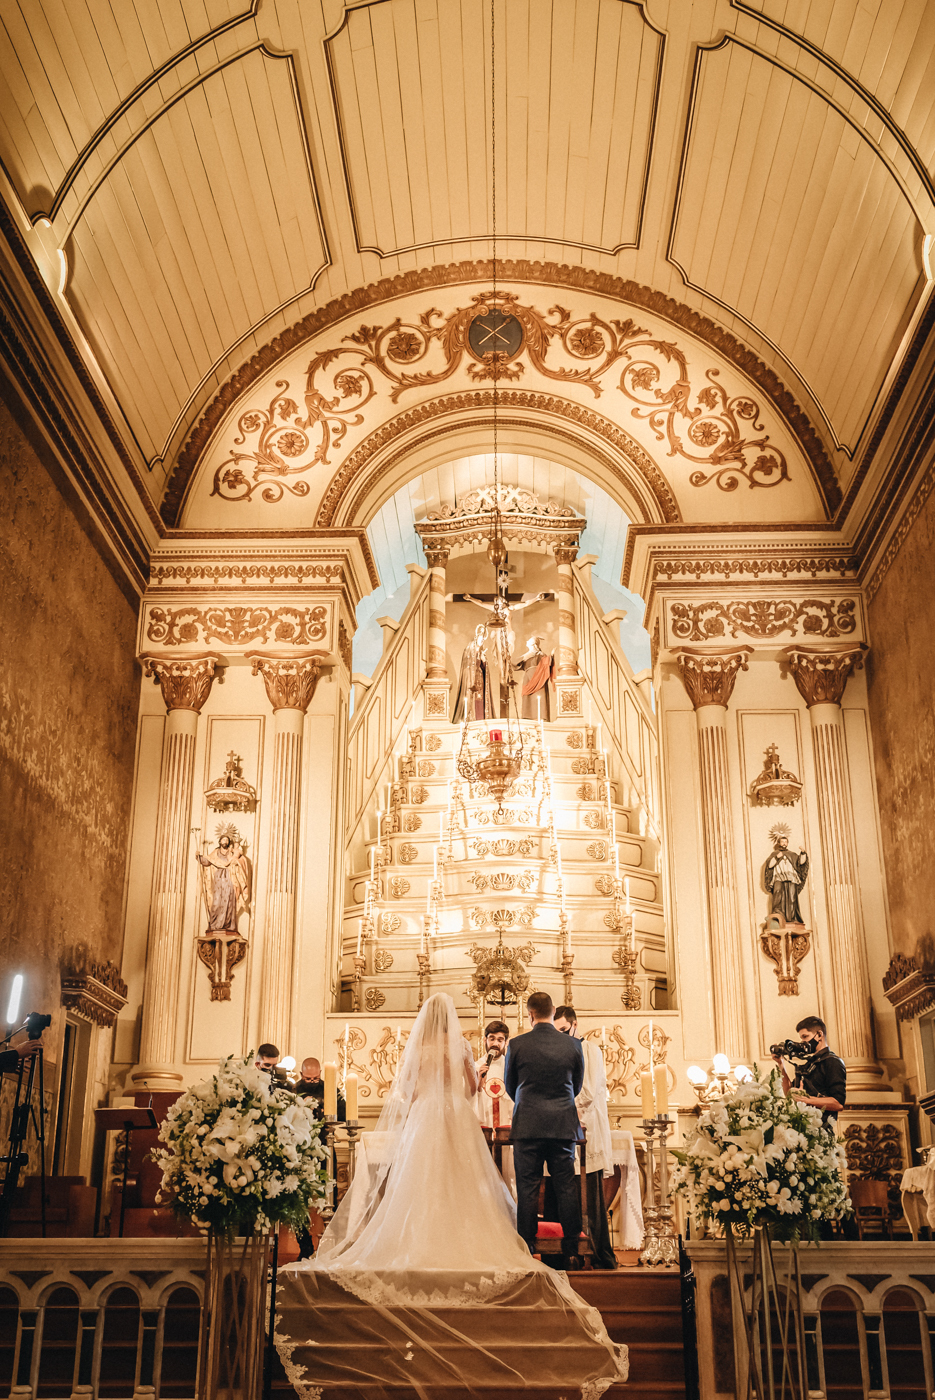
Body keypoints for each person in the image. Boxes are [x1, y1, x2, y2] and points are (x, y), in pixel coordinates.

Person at [274, 993, 627, 1393]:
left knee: (423, 1181)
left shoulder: (424, 1047)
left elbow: (410, 1091)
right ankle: (560, 1248)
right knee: (480, 1181)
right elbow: (474, 1087)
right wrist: (454, 1095)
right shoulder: (467, 1046)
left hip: (429, 1117)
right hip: (478, 1117)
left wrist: (429, 1100)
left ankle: (440, 1240)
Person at [504, 990, 585, 1269]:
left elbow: (510, 1085)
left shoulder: (517, 1044)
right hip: (563, 1124)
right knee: (566, 1186)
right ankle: (572, 1249)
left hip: (528, 1125)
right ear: (553, 1012)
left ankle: (526, 1247)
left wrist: (529, 1104)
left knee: (527, 1187)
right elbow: (577, 1085)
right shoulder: (573, 1045)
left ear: (530, 1015)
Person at [553, 1005, 617, 1269]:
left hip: (586, 1127)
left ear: (575, 1024)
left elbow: (588, 1091)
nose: (561, 1036)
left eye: (564, 1030)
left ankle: (596, 1252)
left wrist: (559, 1107)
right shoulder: (557, 1050)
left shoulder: (589, 1050)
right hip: (563, 1131)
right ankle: (567, 1254)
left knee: (589, 1196)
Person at [772, 1016, 846, 1123]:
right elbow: (789, 1092)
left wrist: (805, 1099)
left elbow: (838, 1104)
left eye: (805, 1037)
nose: (803, 1042)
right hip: (804, 1126)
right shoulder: (810, 1063)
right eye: (801, 1038)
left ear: (819, 1035)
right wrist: (780, 1064)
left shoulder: (833, 1062)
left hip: (821, 1128)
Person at [474, 1020, 515, 1195]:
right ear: (485, 1040)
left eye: (500, 1039)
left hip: (506, 1127)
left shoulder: (511, 1067)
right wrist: (478, 1082)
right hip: (484, 1126)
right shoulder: (476, 1066)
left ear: (506, 1042)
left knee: (509, 1172)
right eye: (492, 1038)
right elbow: (468, 1097)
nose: (495, 1043)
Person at [196, 832, 251, 932]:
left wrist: (236, 862)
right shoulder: (216, 852)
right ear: (220, 841)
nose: (225, 841)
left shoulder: (231, 852)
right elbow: (208, 860)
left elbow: (241, 860)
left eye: (226, 840)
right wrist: (199, 857)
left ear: (229, 842)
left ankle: (228, 925)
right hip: (219, 879)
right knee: (216, 901)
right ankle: (214, 924)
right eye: (223, 839)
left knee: (229, 901)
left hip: (230, 878)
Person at [764, 828, 810, 926]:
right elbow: (770, 865)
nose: (784, 843)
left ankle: (792, 917)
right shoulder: (775, 854)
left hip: (791, 878)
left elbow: (801, 863)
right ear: (779, 843)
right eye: (782, 842)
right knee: (777, 894)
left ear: (787, 843)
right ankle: (777, 916)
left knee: (792, 896)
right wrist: (777, 857)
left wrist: (803, 853)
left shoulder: (792, 854)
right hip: (778, 878)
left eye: (785, 842)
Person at [513, 635, 554, 720]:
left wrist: (551, 657)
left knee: (540, 695)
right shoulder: (527, 655)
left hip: (540, 677)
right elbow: (514, 664)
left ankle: (541, 717)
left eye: (529, 641)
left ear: (534, 644)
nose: (527, 642)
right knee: (528, 697)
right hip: (528, 678)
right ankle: (527, 717)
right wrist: (526, 656)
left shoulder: (542, 655)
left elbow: (547, 664)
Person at [293, 1057, 346, 1122]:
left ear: (320, 1073)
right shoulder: (294, 1090)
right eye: (308, 1079)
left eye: (316, 1078)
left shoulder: (331, 1089)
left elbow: (343, 1112)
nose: (312, 1082)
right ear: (301, 1074)